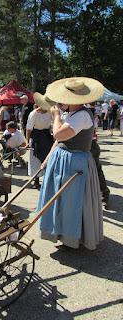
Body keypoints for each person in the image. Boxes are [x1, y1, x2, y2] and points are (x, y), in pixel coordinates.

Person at [36, 77, 104, 251]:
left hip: (75, 162)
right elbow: (58, 142)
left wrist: (57, 116)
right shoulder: (72, 114)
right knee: (60, 199)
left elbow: (59, 135)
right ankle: (59, 232)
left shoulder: (82, 115)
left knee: (72, 202)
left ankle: (74, 237)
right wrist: (47, 158)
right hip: (63, 160)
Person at [26, 93, 54, 189]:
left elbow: (53, 124)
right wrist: (27, 141)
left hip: (46, 136)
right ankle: (36, 180)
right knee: (35, 158)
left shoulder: (50, 112)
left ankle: (47, 179)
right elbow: (28, 129)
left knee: (48, 157)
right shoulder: (34, 113)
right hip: (36, 137)